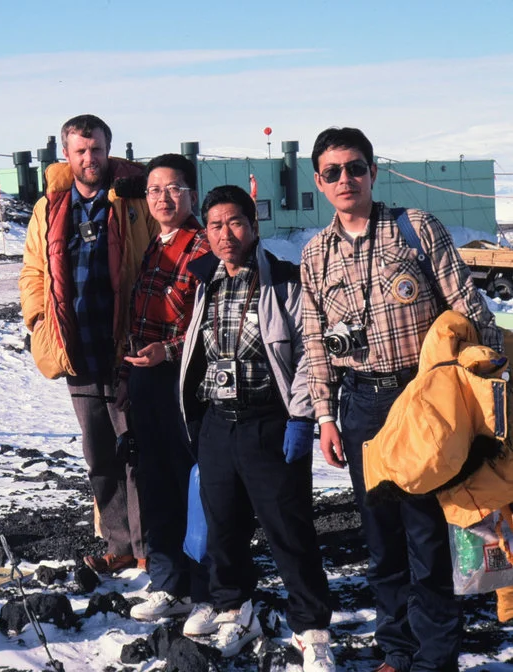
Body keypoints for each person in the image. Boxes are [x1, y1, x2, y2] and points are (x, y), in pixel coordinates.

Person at [300, 126, 503, 672]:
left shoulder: (415, 230)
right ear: (318, 182)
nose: (346, 179)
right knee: (381, 536)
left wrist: (488, 382)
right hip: (361, 405)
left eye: (356, 167)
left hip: (423, 403)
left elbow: (468, 306)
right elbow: (316, 344)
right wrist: (324, 416)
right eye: (333, 171)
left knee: (426, 535)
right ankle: (396, 647)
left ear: (372, 171)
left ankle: (436, 656)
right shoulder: (314, 255)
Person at [179, 185, 335, 669]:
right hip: (218, 424)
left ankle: (312, 629)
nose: (226, 234)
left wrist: (301, 415)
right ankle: (233, 608)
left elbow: (313, 352)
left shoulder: (284, 281)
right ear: (206, 233)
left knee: (288, 531)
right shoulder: (205, 281)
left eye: (235, 222)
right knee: (223, 526)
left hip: (270, 423)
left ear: (253, 225)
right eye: (215, 225)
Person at [19, 114, 156, 573]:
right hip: (78, 348)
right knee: (99, 454)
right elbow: (33, 273)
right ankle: (118, 546)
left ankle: (148, 549)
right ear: (67, 155)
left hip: (129, 347)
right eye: (80, 151)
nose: (89, 158)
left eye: (96, 149)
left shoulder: (133, 198)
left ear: (108, 150)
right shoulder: (50, 206)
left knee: (139, 450)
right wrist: (40, 322)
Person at [112, 154, 213, 621]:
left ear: (191, 192)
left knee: (191, 486)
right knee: (154, 486)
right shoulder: (156, 245)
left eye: (173, 188)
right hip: (147, 380)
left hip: (187, 383)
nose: (163, 198)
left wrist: (166, 354)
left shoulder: (205, 246)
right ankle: (169, 585)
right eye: (154, 190)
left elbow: (210, 327)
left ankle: (206, 590)